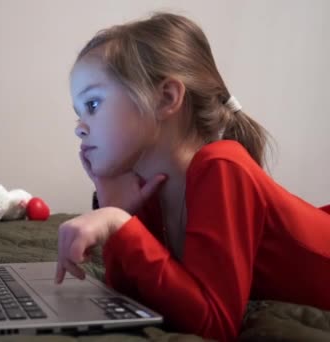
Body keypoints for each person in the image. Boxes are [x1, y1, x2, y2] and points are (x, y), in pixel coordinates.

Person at [55, 12, 330, 342]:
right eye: (78, 112)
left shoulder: (222, 165)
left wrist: (118, 223)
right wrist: (119, 211)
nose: (79, 127)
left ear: (167, 98)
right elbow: (128, 295)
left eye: (93, 104)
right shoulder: (154, 188)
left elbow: (215, 325)